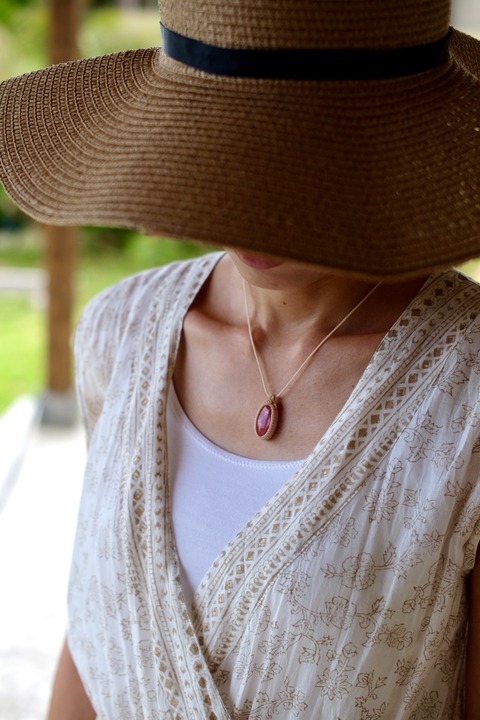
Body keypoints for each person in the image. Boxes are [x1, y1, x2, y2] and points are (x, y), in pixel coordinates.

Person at [0, 0, 479, 718]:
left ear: (396, 141)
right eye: (225, 140)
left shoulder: (465, 397)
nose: (254, 198)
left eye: (300, 153)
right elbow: (103, 635)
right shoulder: (119, 334)